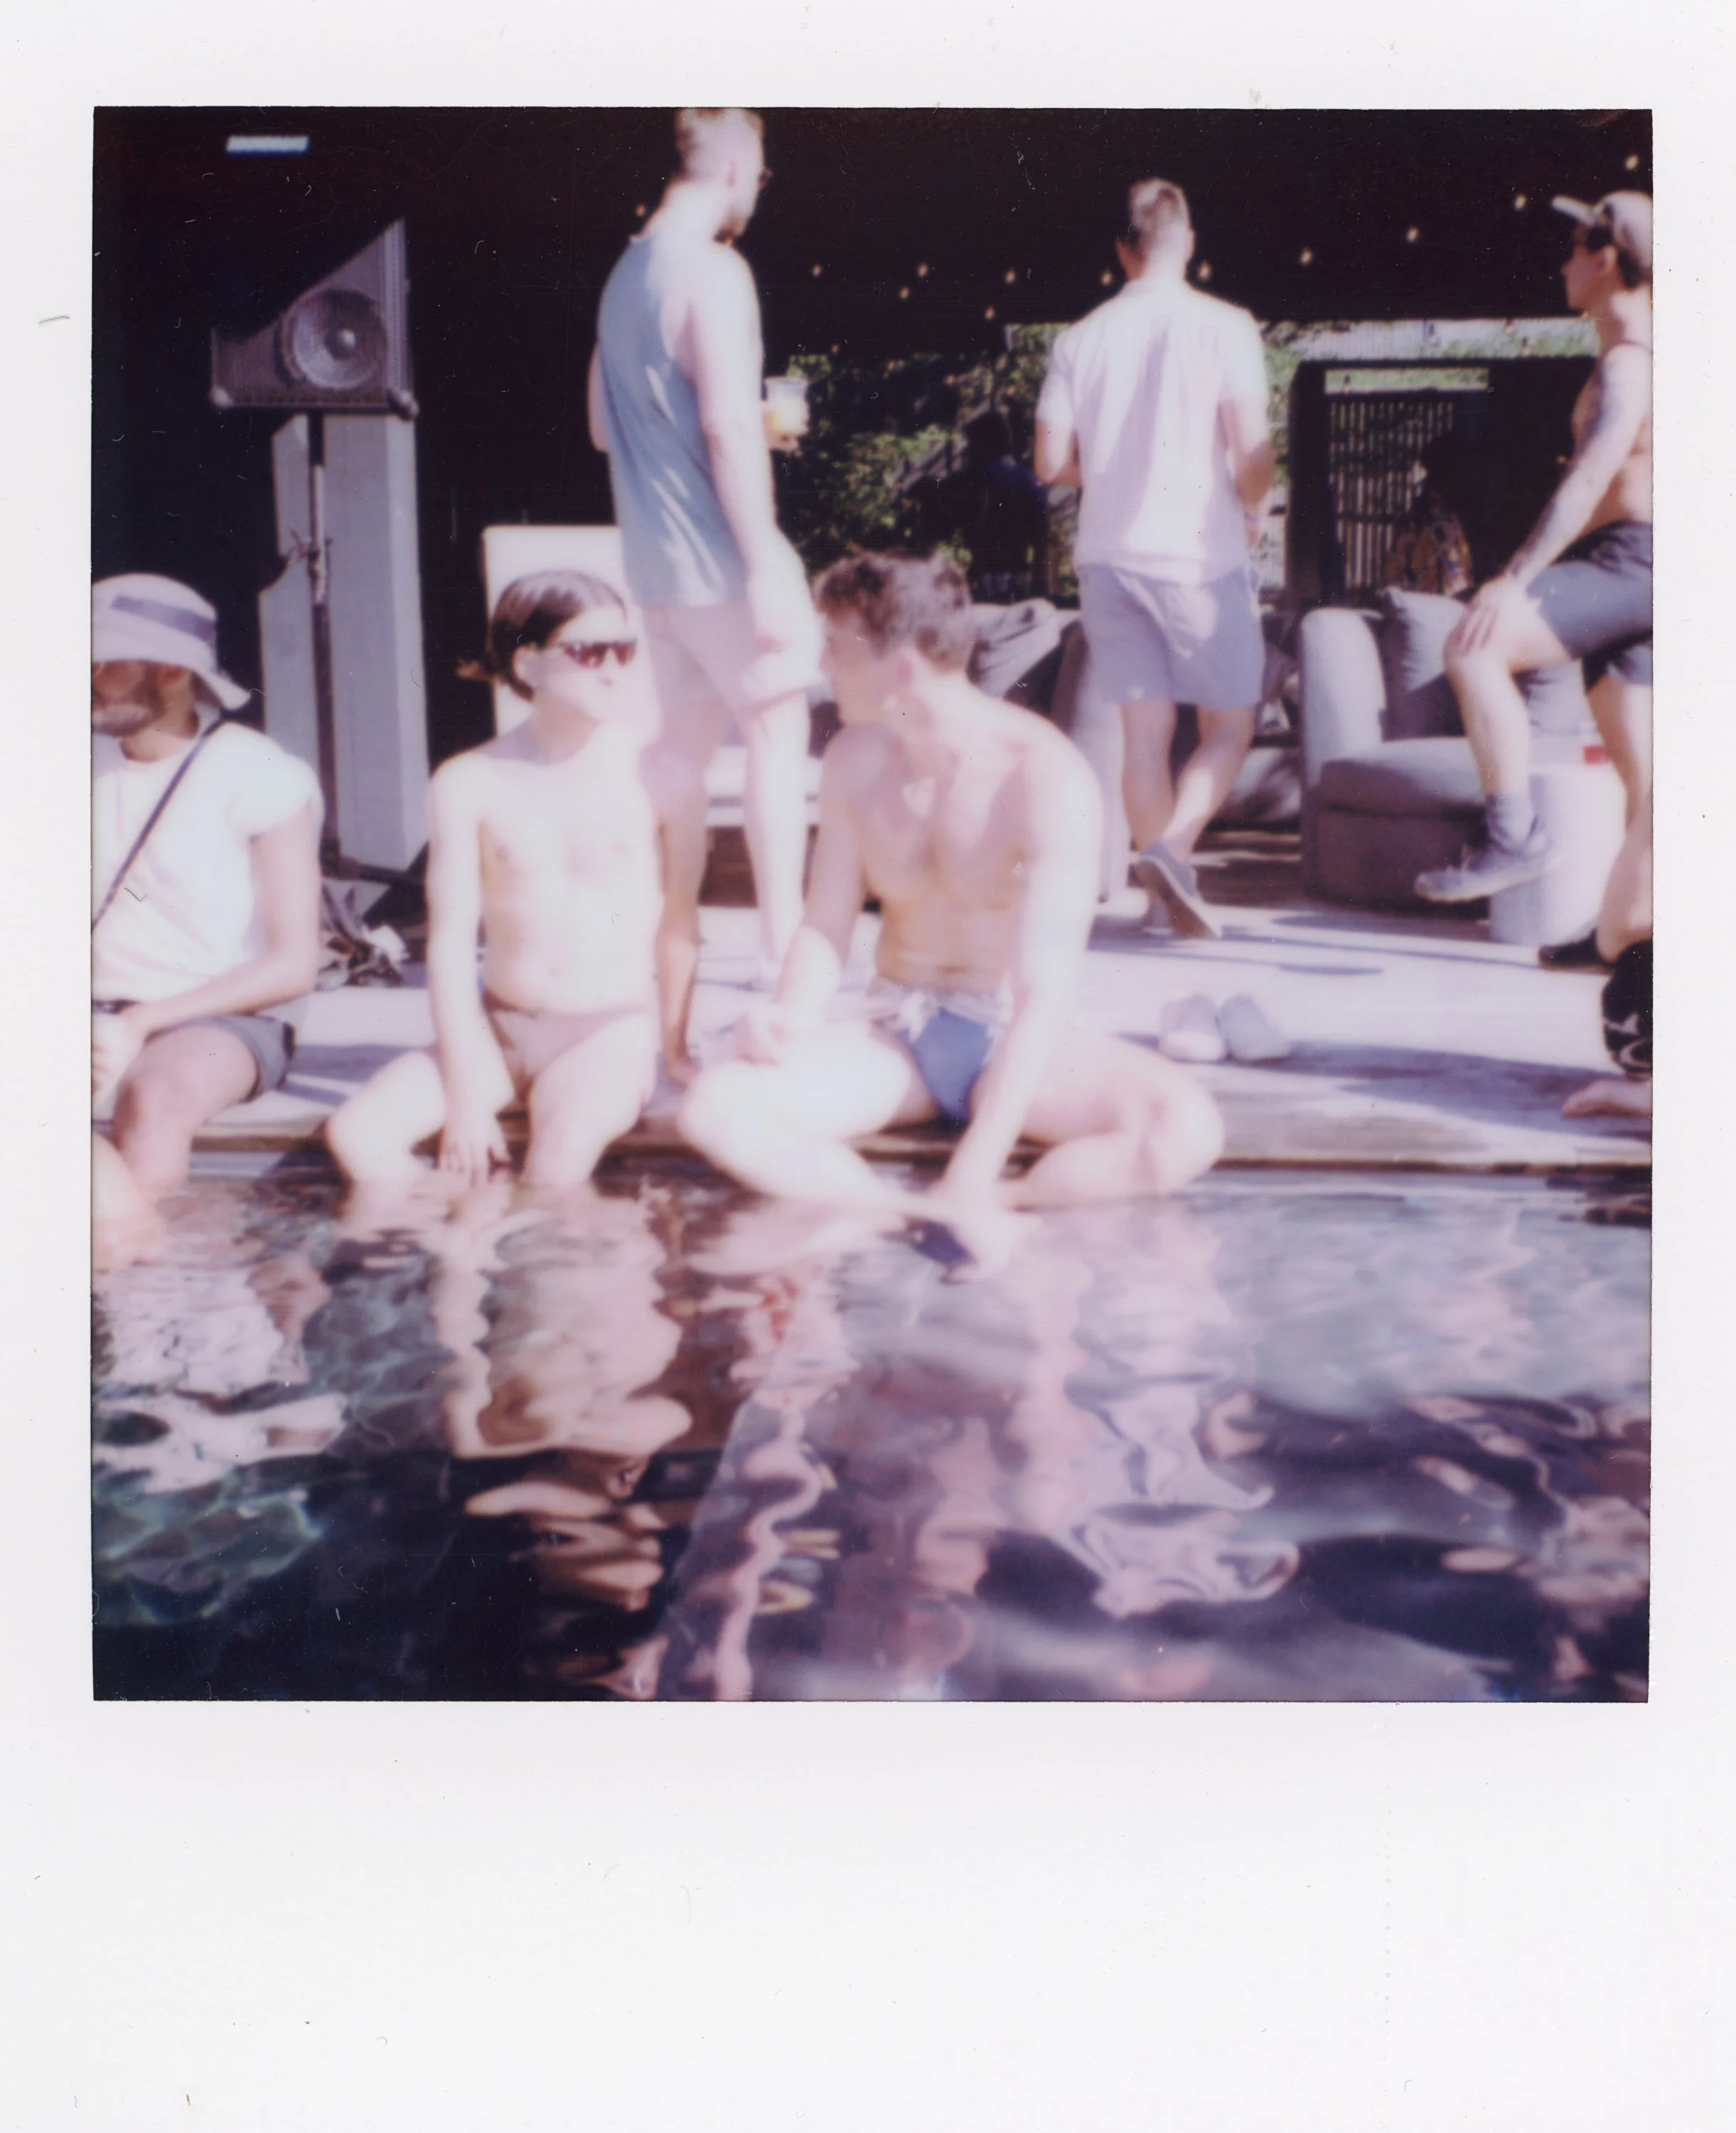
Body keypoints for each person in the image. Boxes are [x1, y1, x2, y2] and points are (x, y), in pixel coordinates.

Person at [677, 552, 1224, 1248]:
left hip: (1007, 1036)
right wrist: (791, 1016)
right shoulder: (856, 759)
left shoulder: (1042, 777)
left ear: (902, 670)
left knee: (1182, 1130)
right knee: (716, 1108)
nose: (821, 665)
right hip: (894, 1035)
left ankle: (998, 1204)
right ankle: (898, 1216)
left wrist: (974, 1171)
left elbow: (1041, 997)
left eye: (837, 647)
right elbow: (825, 925)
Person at [324, 571, 707, 1192]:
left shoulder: (664, 776)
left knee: (558, 1161)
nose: (615, 671)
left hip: (606, 1032)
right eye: (589, 653)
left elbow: (680, 922)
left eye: (625, 650)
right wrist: (466, 1100)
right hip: (497, 1028)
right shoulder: (470, 780)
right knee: (358, 1136)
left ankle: (486, 1233)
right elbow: (450, 945)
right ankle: (463, 1237)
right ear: (528, 665)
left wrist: (676, 1049)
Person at [589, 106, 821, 978]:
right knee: (777, 731)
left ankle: (631, 920)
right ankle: (783, 946)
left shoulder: (624, 276)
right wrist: (766, 561)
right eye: (759, 176)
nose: (757, 193)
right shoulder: (716, 271)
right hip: (720, 558)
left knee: (678, 756)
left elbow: (603, 428)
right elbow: (724, 423)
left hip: (654, 563)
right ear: (733, 167)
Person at [1034, 178, 1275, 941]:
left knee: (1144, 736)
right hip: (1198, 559)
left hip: (1108, 560)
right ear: (1189, 243)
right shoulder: (1226, 326)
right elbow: (1253, 453)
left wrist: (1113, 472)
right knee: (1229, 727)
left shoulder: (1078, 339)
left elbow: (1049, 462)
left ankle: (1162, 906)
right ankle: (1171, 851)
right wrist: (1255, 508)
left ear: (1122, 250)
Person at [1415, 193, 1651, 907]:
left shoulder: (1628, 365)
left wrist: (1513, 578)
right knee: (1649, 790)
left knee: (1472, 645)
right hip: (1647, 566)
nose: (1563, 265)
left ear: (1606, 260)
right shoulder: (1647, 355)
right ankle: (1625, 940)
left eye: (1574, 250)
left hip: (1633, 562)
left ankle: (1513, 837)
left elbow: (1591, 479)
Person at [92, 574, 322, 1259]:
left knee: (154, 1099)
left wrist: (140, 1022)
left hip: (223, 1018)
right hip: (93, 1010)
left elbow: (294, 966)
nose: (86, 679)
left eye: (103, 664)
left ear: (173, 672)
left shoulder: (260, 774)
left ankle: (153, 1302)